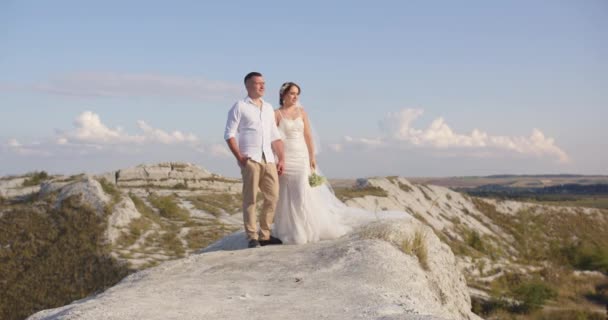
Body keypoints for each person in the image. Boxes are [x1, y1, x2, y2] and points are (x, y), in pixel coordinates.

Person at [273, 82, 350, 244]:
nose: (295, 97)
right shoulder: (276, 114)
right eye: (292, 93)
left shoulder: (301, 112)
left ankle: (307, 229)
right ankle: (290, 229)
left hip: (301, 157)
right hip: (285, 158)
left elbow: (308, 135)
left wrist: (312, 156)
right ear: (283, 95)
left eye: (297, 94)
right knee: (286, 194)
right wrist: (277, 159)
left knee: (301, 192)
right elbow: (273, 139)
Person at [224, 72, 285, 248]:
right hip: (250, 159)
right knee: (250, 199)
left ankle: (265, 235)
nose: (262, 86)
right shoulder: (240, 106)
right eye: (258, 83)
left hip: (269, 159)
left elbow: (275, 136)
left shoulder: (268, 108)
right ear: (248, 86)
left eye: (263, 83)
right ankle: (252, 236)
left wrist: (281, 158)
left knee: (273, 197)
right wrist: (240, 157)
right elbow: (229, 134)